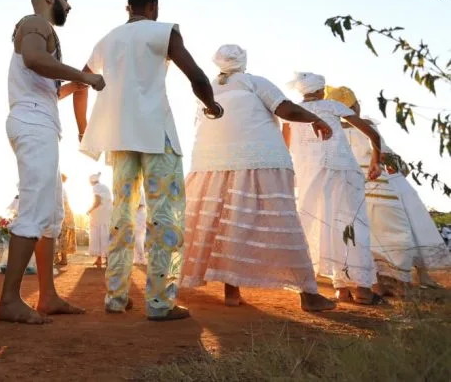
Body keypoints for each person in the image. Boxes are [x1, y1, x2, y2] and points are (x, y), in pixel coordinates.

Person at [76, 0, 220, 321]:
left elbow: (82, 82)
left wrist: (84, 127)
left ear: (129, 8)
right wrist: (211, 105)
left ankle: (116, 297)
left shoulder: (107, 39)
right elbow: (196, 75)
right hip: (157, 134)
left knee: (121, 218)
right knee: (164, 214)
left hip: (121, 140)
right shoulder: (162, 30)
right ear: (152, 6)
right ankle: (159, 303)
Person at [179, 45, 336, 312]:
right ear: (243, 62)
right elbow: (285, 109)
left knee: (225, 224)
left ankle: (231, 292)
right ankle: (309, 295)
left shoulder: (210, 89)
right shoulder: (254, 83)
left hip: (211, 164)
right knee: (280, 222)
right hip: (260, 160)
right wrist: (314, 118)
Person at [0, 0, 105, 325]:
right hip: (32, 122)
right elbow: (33, 58)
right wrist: (82, 77)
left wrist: (71, 86)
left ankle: (47, 296)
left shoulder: (41, 32)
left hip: (39, 120)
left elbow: (39, 80)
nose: (68, 6)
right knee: (34, 208)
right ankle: (10, 301)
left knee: (51, 214)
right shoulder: (35, 23)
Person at [331, 85, 451, 290]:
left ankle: (372, 279)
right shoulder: (366, 125)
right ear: (353, 106)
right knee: (412, 224)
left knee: (364, 235)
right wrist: (401, 166)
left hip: (349, 185)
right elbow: (384, 153)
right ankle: (418, 276)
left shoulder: (332, 129)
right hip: (380, 182)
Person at [283, 73, 385, 305]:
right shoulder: (332, 105)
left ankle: (340, 288)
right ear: (320, 91)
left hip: (308, 178)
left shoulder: (290, 113)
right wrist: (375, 161)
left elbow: (284, 148)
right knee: (351, 225)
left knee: (319, 225)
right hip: (341, 172)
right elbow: (372, 134)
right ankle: (363, 289)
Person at [87, 173, 113, 268]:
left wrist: (89, 210)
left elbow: (97, 201)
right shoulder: (105, 187)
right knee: (105, 235)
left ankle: (99, 259)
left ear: (91, 181)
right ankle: (107, 260)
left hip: (99, 215)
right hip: (107, 214)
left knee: (97, 235)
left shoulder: (96, 188)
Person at [56, 174, 77, 267]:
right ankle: (59, 258)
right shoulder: (61, 188)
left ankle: (63, 259)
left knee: (61, 235)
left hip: (63, 212)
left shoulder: (59, 188)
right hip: (66, 212)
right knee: (61, 235)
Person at [133, 190, 148, 266]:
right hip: (136, 215)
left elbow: (141, 204)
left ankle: (141, 259)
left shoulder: (139, 191)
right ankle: (137, 259)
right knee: (136, 239)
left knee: (138, 239)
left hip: (139, 215)